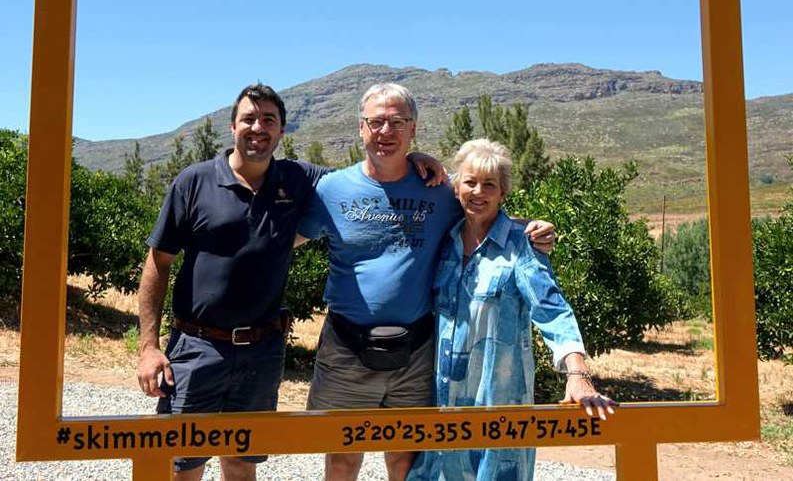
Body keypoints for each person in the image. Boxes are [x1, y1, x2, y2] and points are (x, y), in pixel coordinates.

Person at [136, 83, 445, 480]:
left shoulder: (298, 179)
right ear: (232, 126)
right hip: (197, 346)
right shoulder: (194, 182)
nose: (258, 127)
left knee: (241, 464)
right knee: (183, 465)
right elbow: (157, 262)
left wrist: (414, 157)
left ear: (282, 130)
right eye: (249, 118)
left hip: (262, 350)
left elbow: (376, 175)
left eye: (269, 120)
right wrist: (148, 347)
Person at [296, 84, 557, 481]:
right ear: (360, 128)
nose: (386, 131)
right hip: (346, 348)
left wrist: (529, 231)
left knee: (406, 459)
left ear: (413, 129)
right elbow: (283, 240)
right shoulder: (332, 190)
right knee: (342, 458)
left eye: (397, 122)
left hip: (417, 350)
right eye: (376, 122)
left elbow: (483, 206)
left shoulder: (440, 189)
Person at [407, 139, 617, 481]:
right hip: (442, 404)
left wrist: (578, 375)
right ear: (456, 187)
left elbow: (551, 308)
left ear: (503, 193)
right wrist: (414, 155)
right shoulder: (443, 241)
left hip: (499, 405)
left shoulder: (522, 245)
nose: (478, 192)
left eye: (489, 185)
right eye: (471, 182)